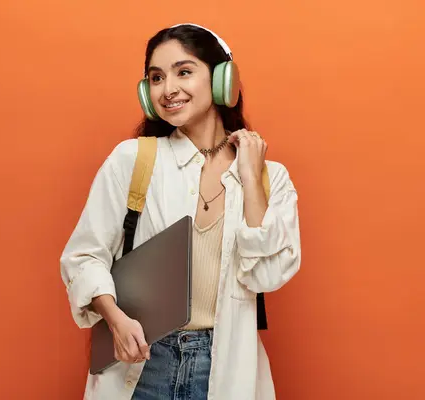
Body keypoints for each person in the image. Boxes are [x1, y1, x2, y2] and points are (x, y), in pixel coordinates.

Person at [60, 23, 301, 400]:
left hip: (226, 367)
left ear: (223, 80)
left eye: (184, 72)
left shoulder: (272, 178)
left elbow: (267, 276)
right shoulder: (133, 160)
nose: (168, 89)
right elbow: (83, 257)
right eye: (156, 77)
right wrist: (116, 319)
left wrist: (251, 178)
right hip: (142, 364)